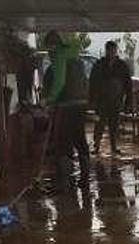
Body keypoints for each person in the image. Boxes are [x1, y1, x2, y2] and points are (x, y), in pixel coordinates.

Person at [43, 31, 91, 189]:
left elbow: (59, 82)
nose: (49, 52)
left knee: (64, 141)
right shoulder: (77, 59)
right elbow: (84, 81)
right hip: (81, 104)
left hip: (66, 104)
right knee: (80, 139)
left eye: (49, 48)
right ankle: (84, 179)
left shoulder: (59, 57)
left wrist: (49, 99)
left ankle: (66, 181)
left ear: (53, 45)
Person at [89, 40, 132, 155]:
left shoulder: (122, 65)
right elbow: (92, 82)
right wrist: (92, 100)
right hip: (101, 100)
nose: (111, 52)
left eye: (113, 50)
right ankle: (96, 145)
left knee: (114, 124)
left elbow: (128, 84)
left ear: (116, 50)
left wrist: (128, 101)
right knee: (99, 124)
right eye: (109, 50)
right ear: (106, 50)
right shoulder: (99, 64)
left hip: (116, 100)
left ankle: (114, 147)